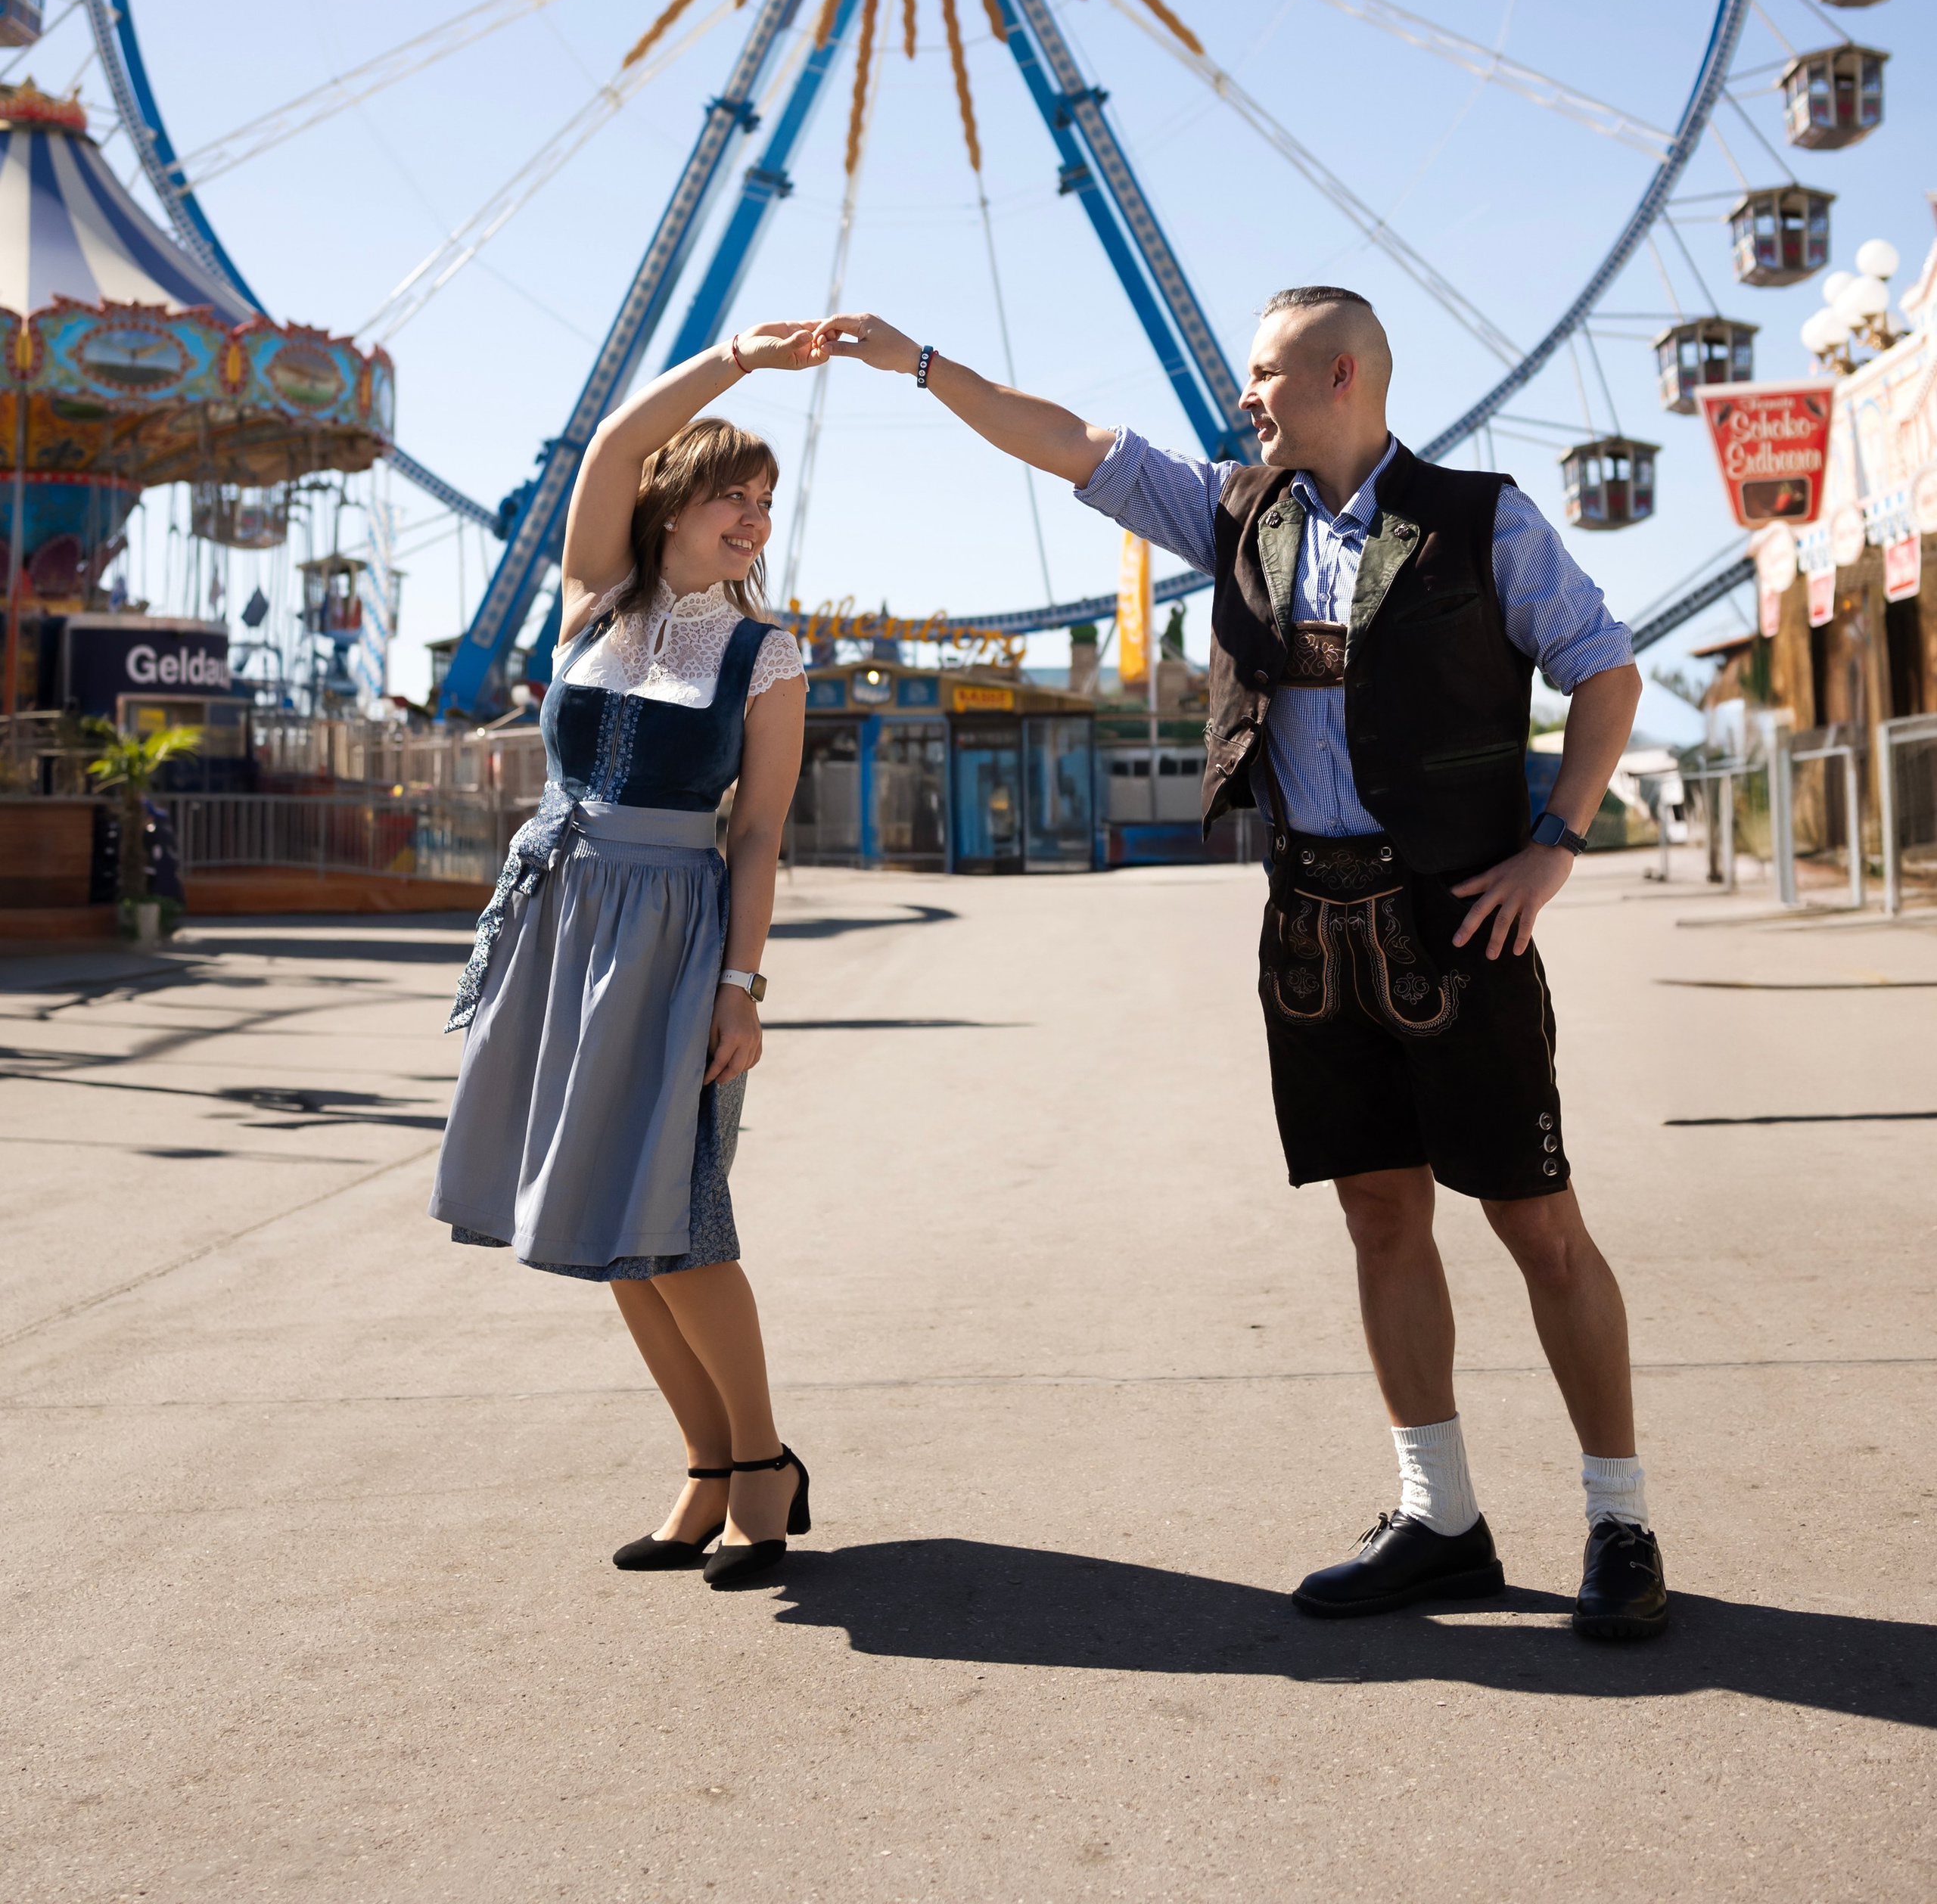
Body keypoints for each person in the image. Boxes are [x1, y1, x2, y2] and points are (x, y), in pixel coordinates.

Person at [820, 290, 1666, 1640]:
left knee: (1537, 1223)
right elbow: (1069, 442)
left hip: (1457, 920)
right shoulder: (1233, 512)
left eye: (1265, 373)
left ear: (1341, 375)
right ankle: (1440, 1519)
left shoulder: (1483, 520)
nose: (1245, 396)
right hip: (1309, 924)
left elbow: (1605, 672)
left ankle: (1620, 1523)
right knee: (1379, 1217)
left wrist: (1553, 847)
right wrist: (922, 365)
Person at [430, 325, 822, 1589]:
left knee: (683, 1221)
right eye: (732, 496)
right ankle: (706, 1467)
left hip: (672, 934)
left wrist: (741, 989)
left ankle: (761, 1465)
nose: (754, 520)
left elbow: (756, 833)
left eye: (766, 503)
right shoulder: (593, 599)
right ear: (670, 504)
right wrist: (739, 357)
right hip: (561, 923)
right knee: (608, 1213)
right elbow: (609, 441)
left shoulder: (766, 654)